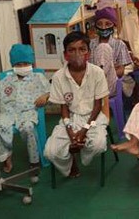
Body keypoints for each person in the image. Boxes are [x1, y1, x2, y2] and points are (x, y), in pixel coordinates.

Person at [44, 32, 109, 178]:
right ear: (65, 54)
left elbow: (98, 105)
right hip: (71, 118)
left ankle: (80, 150)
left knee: (98, 144)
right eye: (71, 50)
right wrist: (69, 129)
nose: (77, 54)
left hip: (94, 117)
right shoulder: (58, 77)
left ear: (89, 52)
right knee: (50, 151)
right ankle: (71, 160)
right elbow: (64, 108)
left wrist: (84, 130)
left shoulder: (97, 72)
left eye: (82, 49)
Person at [0, 44, 50, 173]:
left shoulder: (38, 77)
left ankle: (34, 160)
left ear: (31, 62)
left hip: (28, 113)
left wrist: (46, 96)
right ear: (13, 64)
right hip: (7, 114)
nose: (22, 67)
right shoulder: (7, 80)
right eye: (19, 64)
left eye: (25, 63)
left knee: (28, 128)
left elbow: (51, 91)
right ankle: (6, 157)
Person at [89, 6, 132, 97]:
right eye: (100, 24)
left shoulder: (119, 44)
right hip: (92, 82)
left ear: (114, 26)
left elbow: (121, 71)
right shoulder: (90, 44)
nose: (103, 27)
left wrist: (108, 72)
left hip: (111, 82)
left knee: (103, 47)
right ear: (95, 26)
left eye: (108, 24)